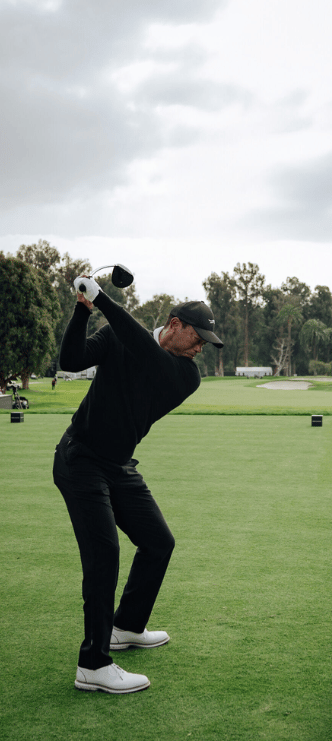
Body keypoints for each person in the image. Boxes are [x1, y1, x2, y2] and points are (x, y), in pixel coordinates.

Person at [53, 276, 222, 694]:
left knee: (158, 542)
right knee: (104, 554)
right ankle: (93, 663)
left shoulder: (185, 375)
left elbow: (146, 352)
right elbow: (71, 359)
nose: (201, 347)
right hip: (80, 458)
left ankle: (125, 627)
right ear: (175, 324)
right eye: (198, 337)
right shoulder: (116, 336)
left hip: (118, 466)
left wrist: (103, 298)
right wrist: (83, 308)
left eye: (206, 342)